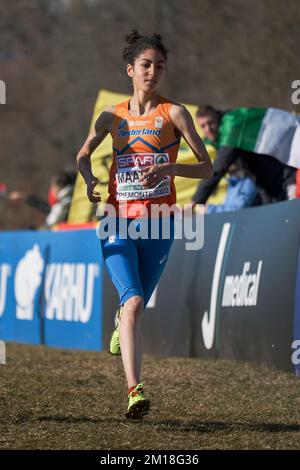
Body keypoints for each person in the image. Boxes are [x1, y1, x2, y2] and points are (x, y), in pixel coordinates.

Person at [76, 30, 212, 419]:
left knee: (136, 306)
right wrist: (88, 180)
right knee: (134, 300)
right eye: (146, 65)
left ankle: (122, 319)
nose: (153, 72)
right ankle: (135, 390)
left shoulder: (175, 113)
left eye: (160, 66)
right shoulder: (111, 116)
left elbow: (207, 166)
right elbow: (83, 155)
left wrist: (169, 167)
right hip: (118, 221)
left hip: (159, 224)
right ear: (130, 69)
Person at [8, 171, 76, 228]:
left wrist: (40, 231)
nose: (51, 190)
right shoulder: (64, 202)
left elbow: (56, 224)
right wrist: (23, 197)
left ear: (58, 187)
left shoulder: (67, 202)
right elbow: (45, 207)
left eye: (53, 186)